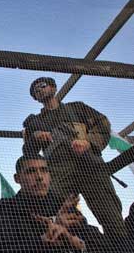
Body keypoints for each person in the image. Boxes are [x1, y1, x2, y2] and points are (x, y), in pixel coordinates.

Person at [23, 77, 125, 237]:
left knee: (110, 216)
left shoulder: (77, 108)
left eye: (42, 86)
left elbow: (103, 123)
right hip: (59, 174)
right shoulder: (35, 123)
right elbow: (28, 153)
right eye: (35, 91)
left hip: (90, 167)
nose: (39, 90)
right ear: (36, 99)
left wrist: (88, 142)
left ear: (54, 88)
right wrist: (36, 138)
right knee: (61, 217)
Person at [0, 154, 103, 253]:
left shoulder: (62, 204)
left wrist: (68, 235)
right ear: (17, 179)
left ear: (50, 175)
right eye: (31, 171)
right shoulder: (6, 207)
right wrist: (44, 239)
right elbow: (3, 251)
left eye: (44, 170)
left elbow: (96, 242)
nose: (39, 177)